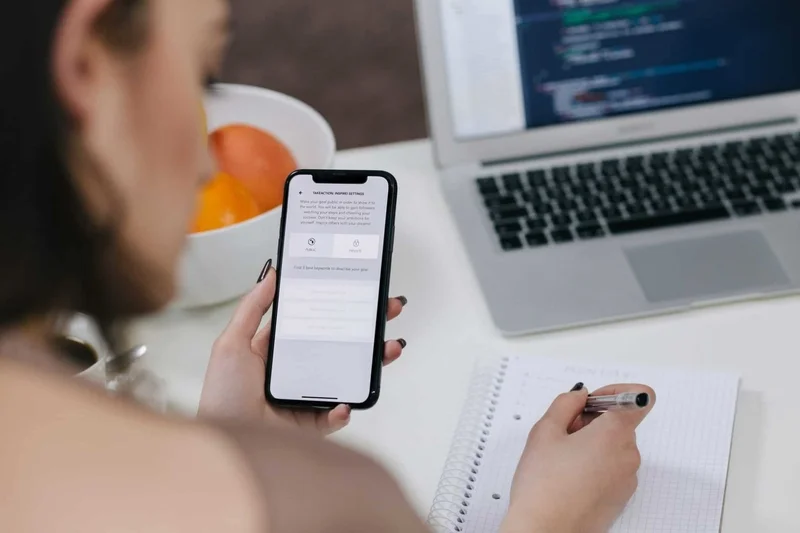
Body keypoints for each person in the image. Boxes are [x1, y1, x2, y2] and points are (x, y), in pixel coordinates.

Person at [0, 1, 656, 531]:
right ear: (87, 64)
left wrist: (225, 433)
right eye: (201, 75)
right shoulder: (321, 506)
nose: (207, 166)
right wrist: (552, 517)